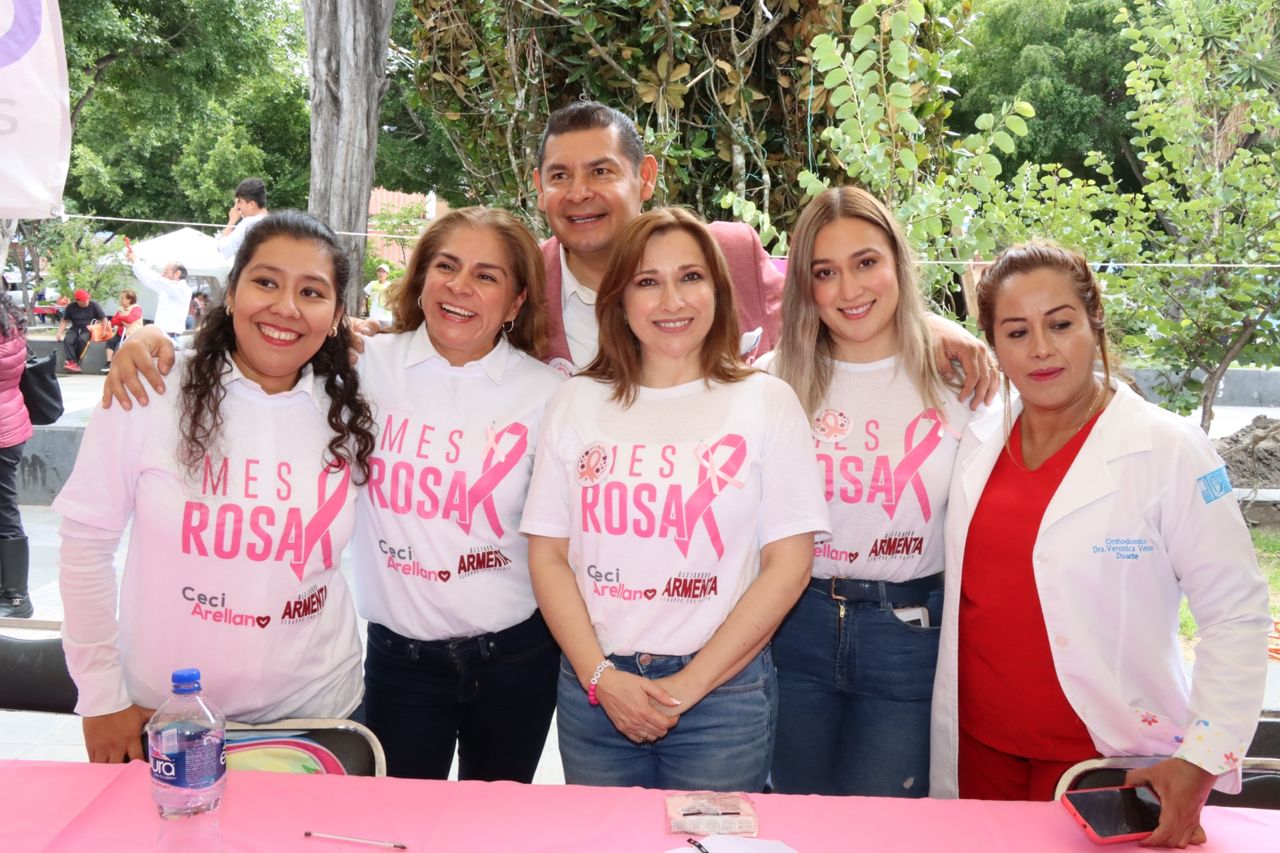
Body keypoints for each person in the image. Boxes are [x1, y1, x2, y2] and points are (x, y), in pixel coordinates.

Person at [98, 208, 567, 784]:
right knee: (391, 819)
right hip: (401, 661)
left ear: (517, 302)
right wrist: (147, 338)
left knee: (497, 816)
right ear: (421, 280)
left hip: (516, 658)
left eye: (486, 275)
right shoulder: (363, 368)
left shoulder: (551, 394)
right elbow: (275, 339)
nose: (460, 286)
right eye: (446, 266)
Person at [930, 240, 1271, 847]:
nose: (1041, 348)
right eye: (1016, 332)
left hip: (1106, 763)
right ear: (993, 346)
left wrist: (1202, 759)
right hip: (979, 753)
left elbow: (1235, 613)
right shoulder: (975, 440)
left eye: (1060, 324)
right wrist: (931, 326)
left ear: (1095, 322)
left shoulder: (1169, 450)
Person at [522, 207, 829, 791]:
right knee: (604, 837)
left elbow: (789, 565)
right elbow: (549, 557)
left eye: (690, 277)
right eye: (648, 281)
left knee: (711, 836)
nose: (672, 301)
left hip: (723, 698)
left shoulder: (767, 401)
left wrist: (687, 687)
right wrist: (601, 678)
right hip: (596, 690)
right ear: (619, 299)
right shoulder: (576, 401)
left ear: (719, 289)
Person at [56, 210, 376, 763]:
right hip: (164, 718)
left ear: (336, 316)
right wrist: (101, 696)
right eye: (266, 282)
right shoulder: (150, 390)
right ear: (231, 294)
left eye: (312, 292)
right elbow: (86, 545)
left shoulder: (355, 407)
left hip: (320, 718)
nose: (286, 307)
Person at [529, 100, 998, 403]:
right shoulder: (521, 284)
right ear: (538, 187)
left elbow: (831, 303)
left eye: (601, 172)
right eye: (559, 176)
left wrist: (926, 325)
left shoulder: (730, 255)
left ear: (645, 177)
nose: (579, 193)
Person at [761, 187, 977, 797]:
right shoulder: (772, 381)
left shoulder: (959, 380)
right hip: (791, 624)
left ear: (898, 263)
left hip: (907, 632)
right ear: (805, 286)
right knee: (793, 816)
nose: (849, 290)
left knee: (886, 824)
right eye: (824, 272)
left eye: (866, 262)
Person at [0, 291, 33, 618]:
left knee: (4, 512)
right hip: (10, 425)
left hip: (3, 431)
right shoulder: (10, 322)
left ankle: (16, 597)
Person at [126, 246, 193, 339]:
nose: (163, 274)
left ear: (177, 273)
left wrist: (136, 261)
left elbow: (157, 279)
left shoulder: (183, 289)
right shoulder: (167, 288)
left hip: (172, 336)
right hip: (160, 335)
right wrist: (134, 262)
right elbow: (147, 280)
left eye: (166, 271)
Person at [216, 177, 270, 259]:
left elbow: (223, 249)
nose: (238, 206)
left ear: (251, 205)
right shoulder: (273, 221)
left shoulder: (249, 223)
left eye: (240, 202)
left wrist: (231, 221)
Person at [56, 288, 106, 373]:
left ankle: (73, 361)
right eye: (83, 301)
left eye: (87, 300)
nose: (86, 302)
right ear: (77, 301)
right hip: (75, 328)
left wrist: (104, 331)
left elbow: (103, 318)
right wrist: (59, 333)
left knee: (82, 340)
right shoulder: (71, 307)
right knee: (68, 339)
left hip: (88, 329)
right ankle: (73, 362)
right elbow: (64, 321)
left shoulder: (94, 305)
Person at [103, 289, 143, 373]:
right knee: (110, 341)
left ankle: (122, 366)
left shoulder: (136, 309)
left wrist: (121, 318)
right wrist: (122, 320)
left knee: (122, 346)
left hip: (132, 334)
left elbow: (129, 319)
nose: (120, 299)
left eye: (122, 298)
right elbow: (114, 321)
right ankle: (108, 363)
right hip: (121, 333)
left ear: (129, 300)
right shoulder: (121, 309)